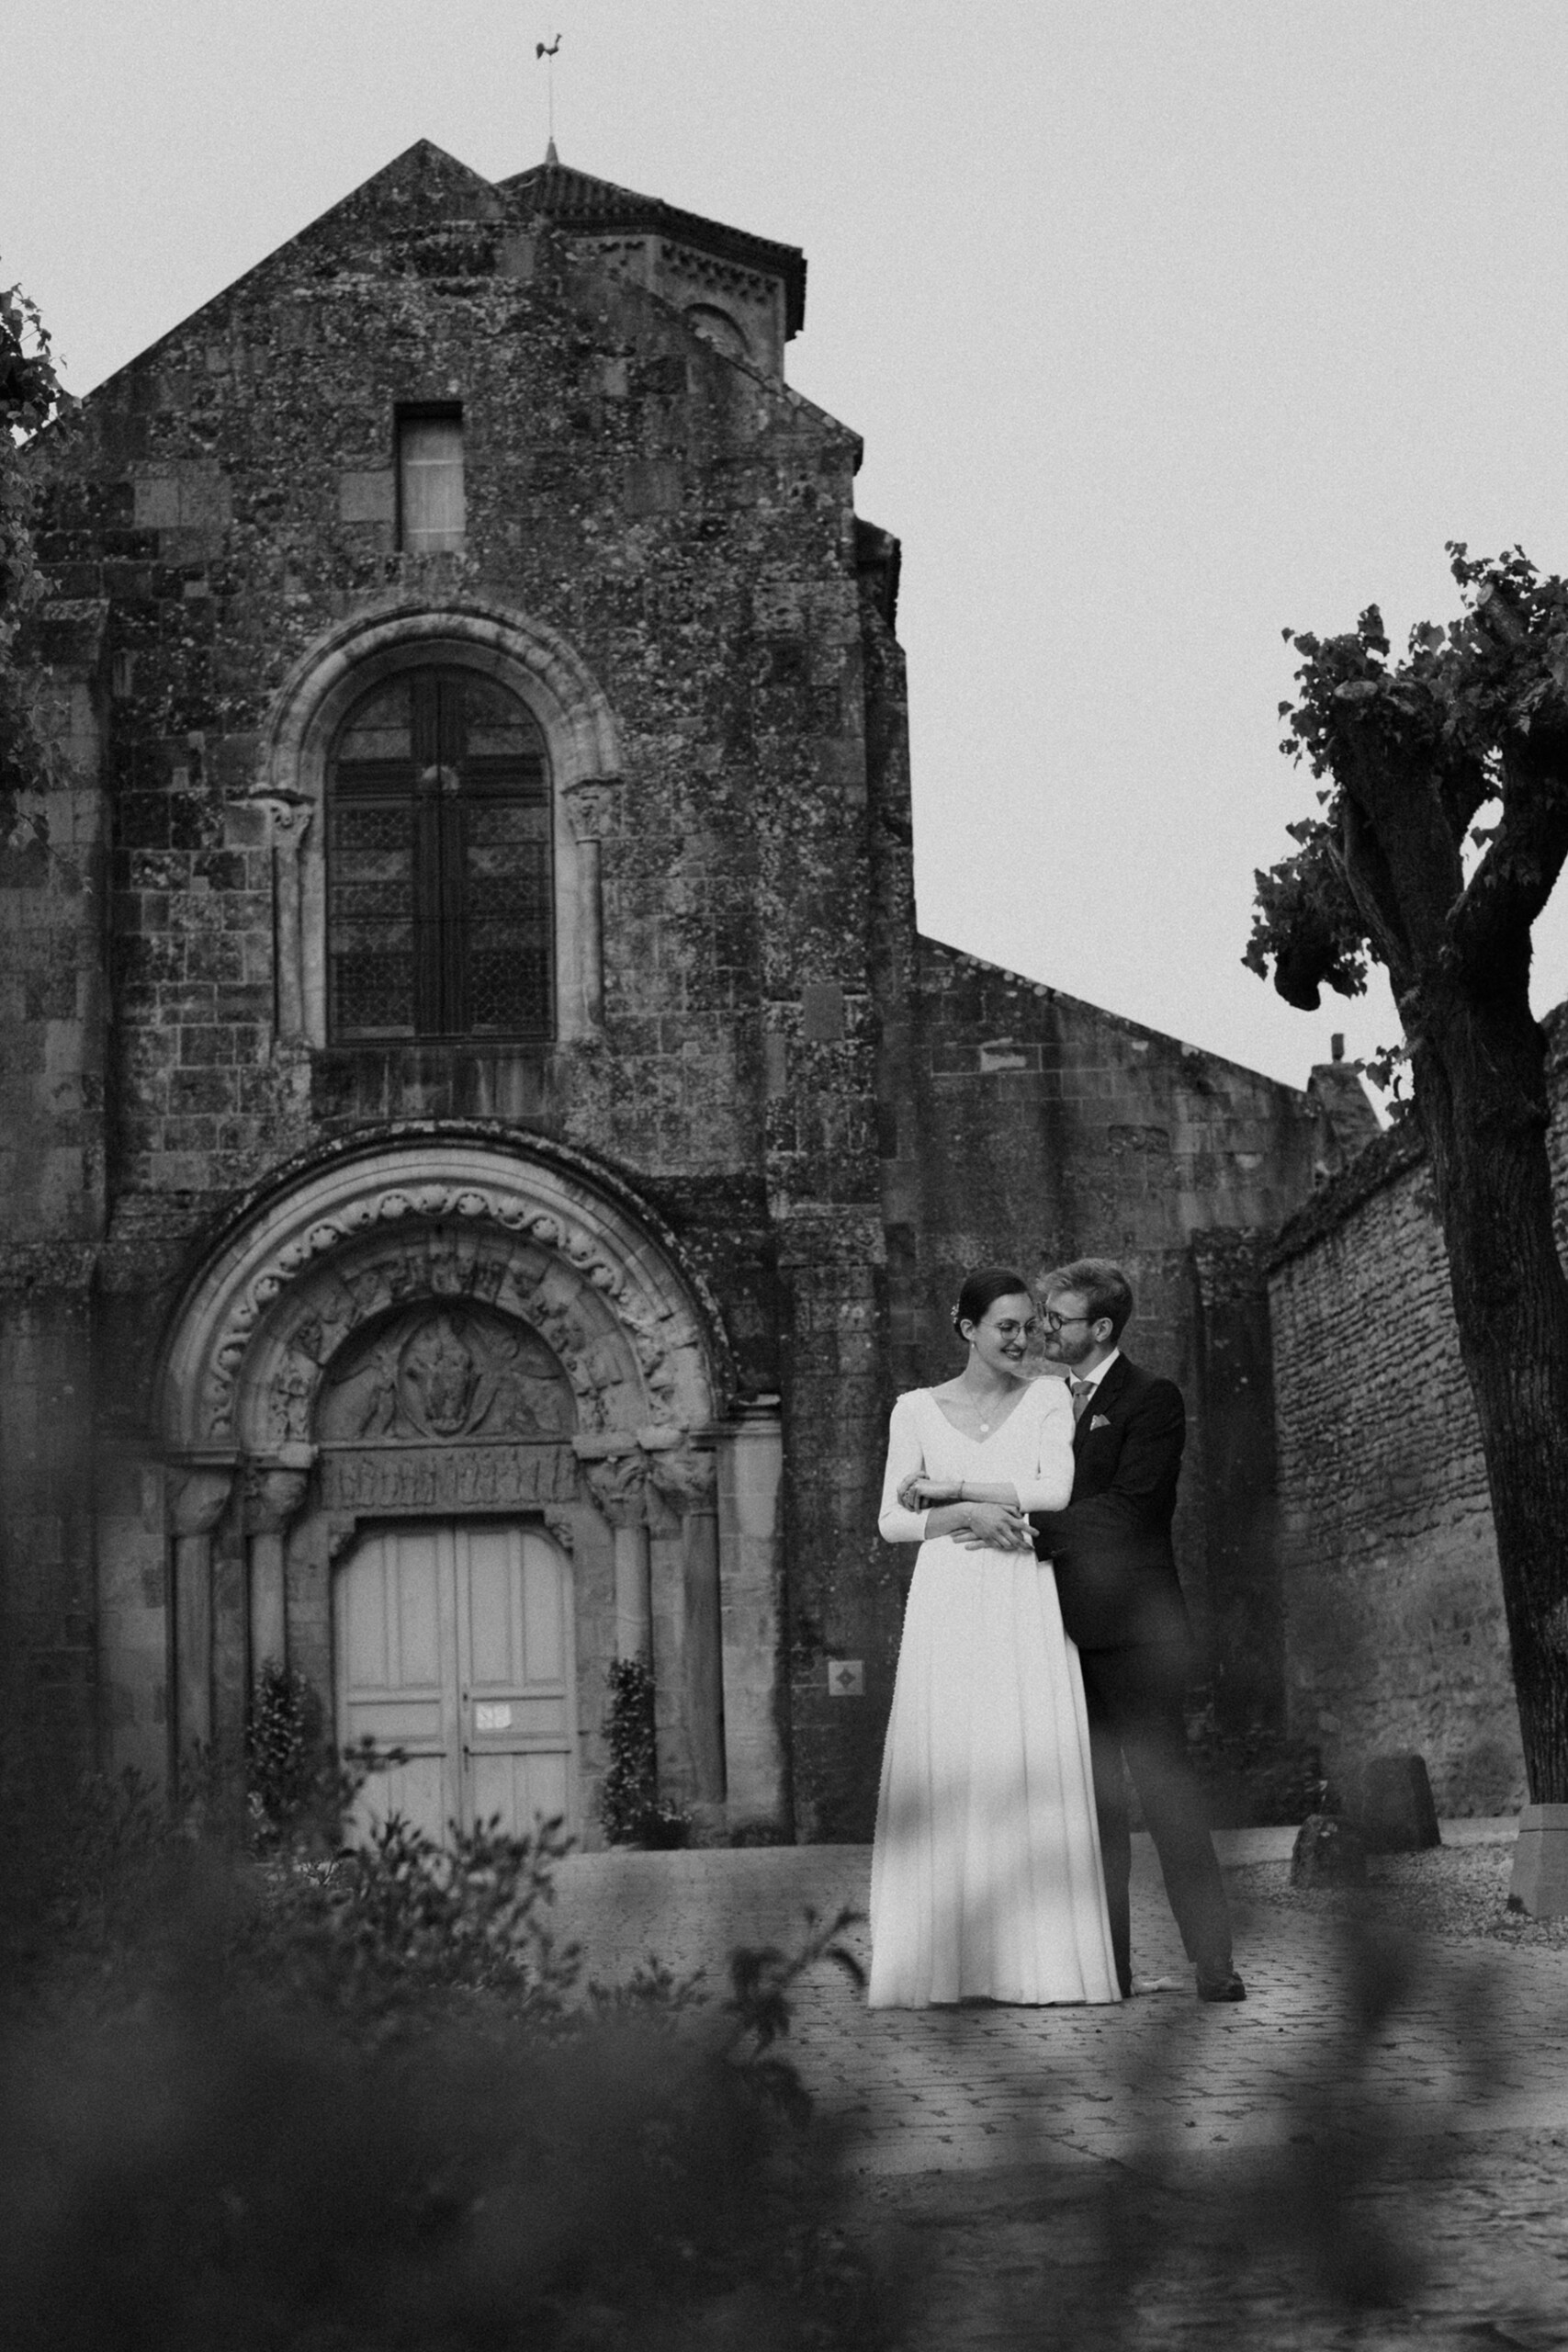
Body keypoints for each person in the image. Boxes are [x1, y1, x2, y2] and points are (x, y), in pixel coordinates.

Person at [866, 1268, 1121, 2008]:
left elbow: (1054, 1492)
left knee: (1024, 1753)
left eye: (1031, 1326)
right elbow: (890, 1522)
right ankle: (946, 1968)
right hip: (948, 1595)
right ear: (966, 1327)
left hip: (1020, 1594)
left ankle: (1037, 1966)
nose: (1023, 1339)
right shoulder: (914, 1409)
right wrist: (963, 1520)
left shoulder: (1048, 1396)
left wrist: (955, 1492)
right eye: (1005, 1326)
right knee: (953, 1759)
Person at [1018, 1259, 1244, 2004]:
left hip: (1136, 1640)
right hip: (1058, 1639)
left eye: (1059, 1318)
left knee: (1168, 1800)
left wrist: (1028, 1529)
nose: (1044, 1328)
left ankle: (1214, 1964)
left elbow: (1134, 1509)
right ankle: (1106, 1968)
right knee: (1089, 1812)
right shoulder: (1038, 1402)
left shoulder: (1151, 1399)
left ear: (1102, 1328)